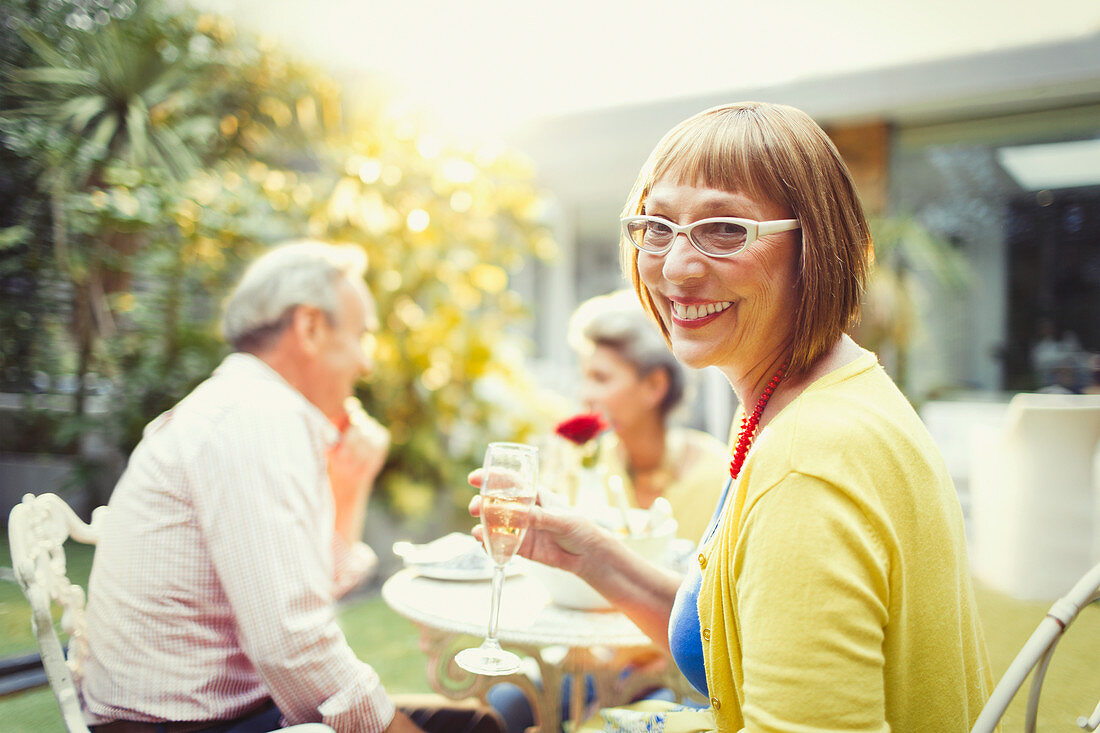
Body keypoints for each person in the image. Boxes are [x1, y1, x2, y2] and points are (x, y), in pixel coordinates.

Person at [472, 102, 995, 732]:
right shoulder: (806, 399)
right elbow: (733, 637)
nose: (676, 267)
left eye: (725, 229)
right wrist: (593, 556)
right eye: (657, 227)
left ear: (815, 246)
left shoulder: (807, 459)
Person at [79, 241, 503, 733]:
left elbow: (310, 595)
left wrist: (350, 482)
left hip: (224, 711)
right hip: (183, 725)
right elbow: (293, 644)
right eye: (361, 335)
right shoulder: (254, 418)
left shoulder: (252, 405)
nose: (366, 364)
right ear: (309, 327)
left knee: (476, 725)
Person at [569, 289, 728, 543]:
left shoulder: (719, 475)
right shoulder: (582, 470)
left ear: (655, 385)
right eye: (585, 377)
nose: (585, 395)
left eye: (601, 378)